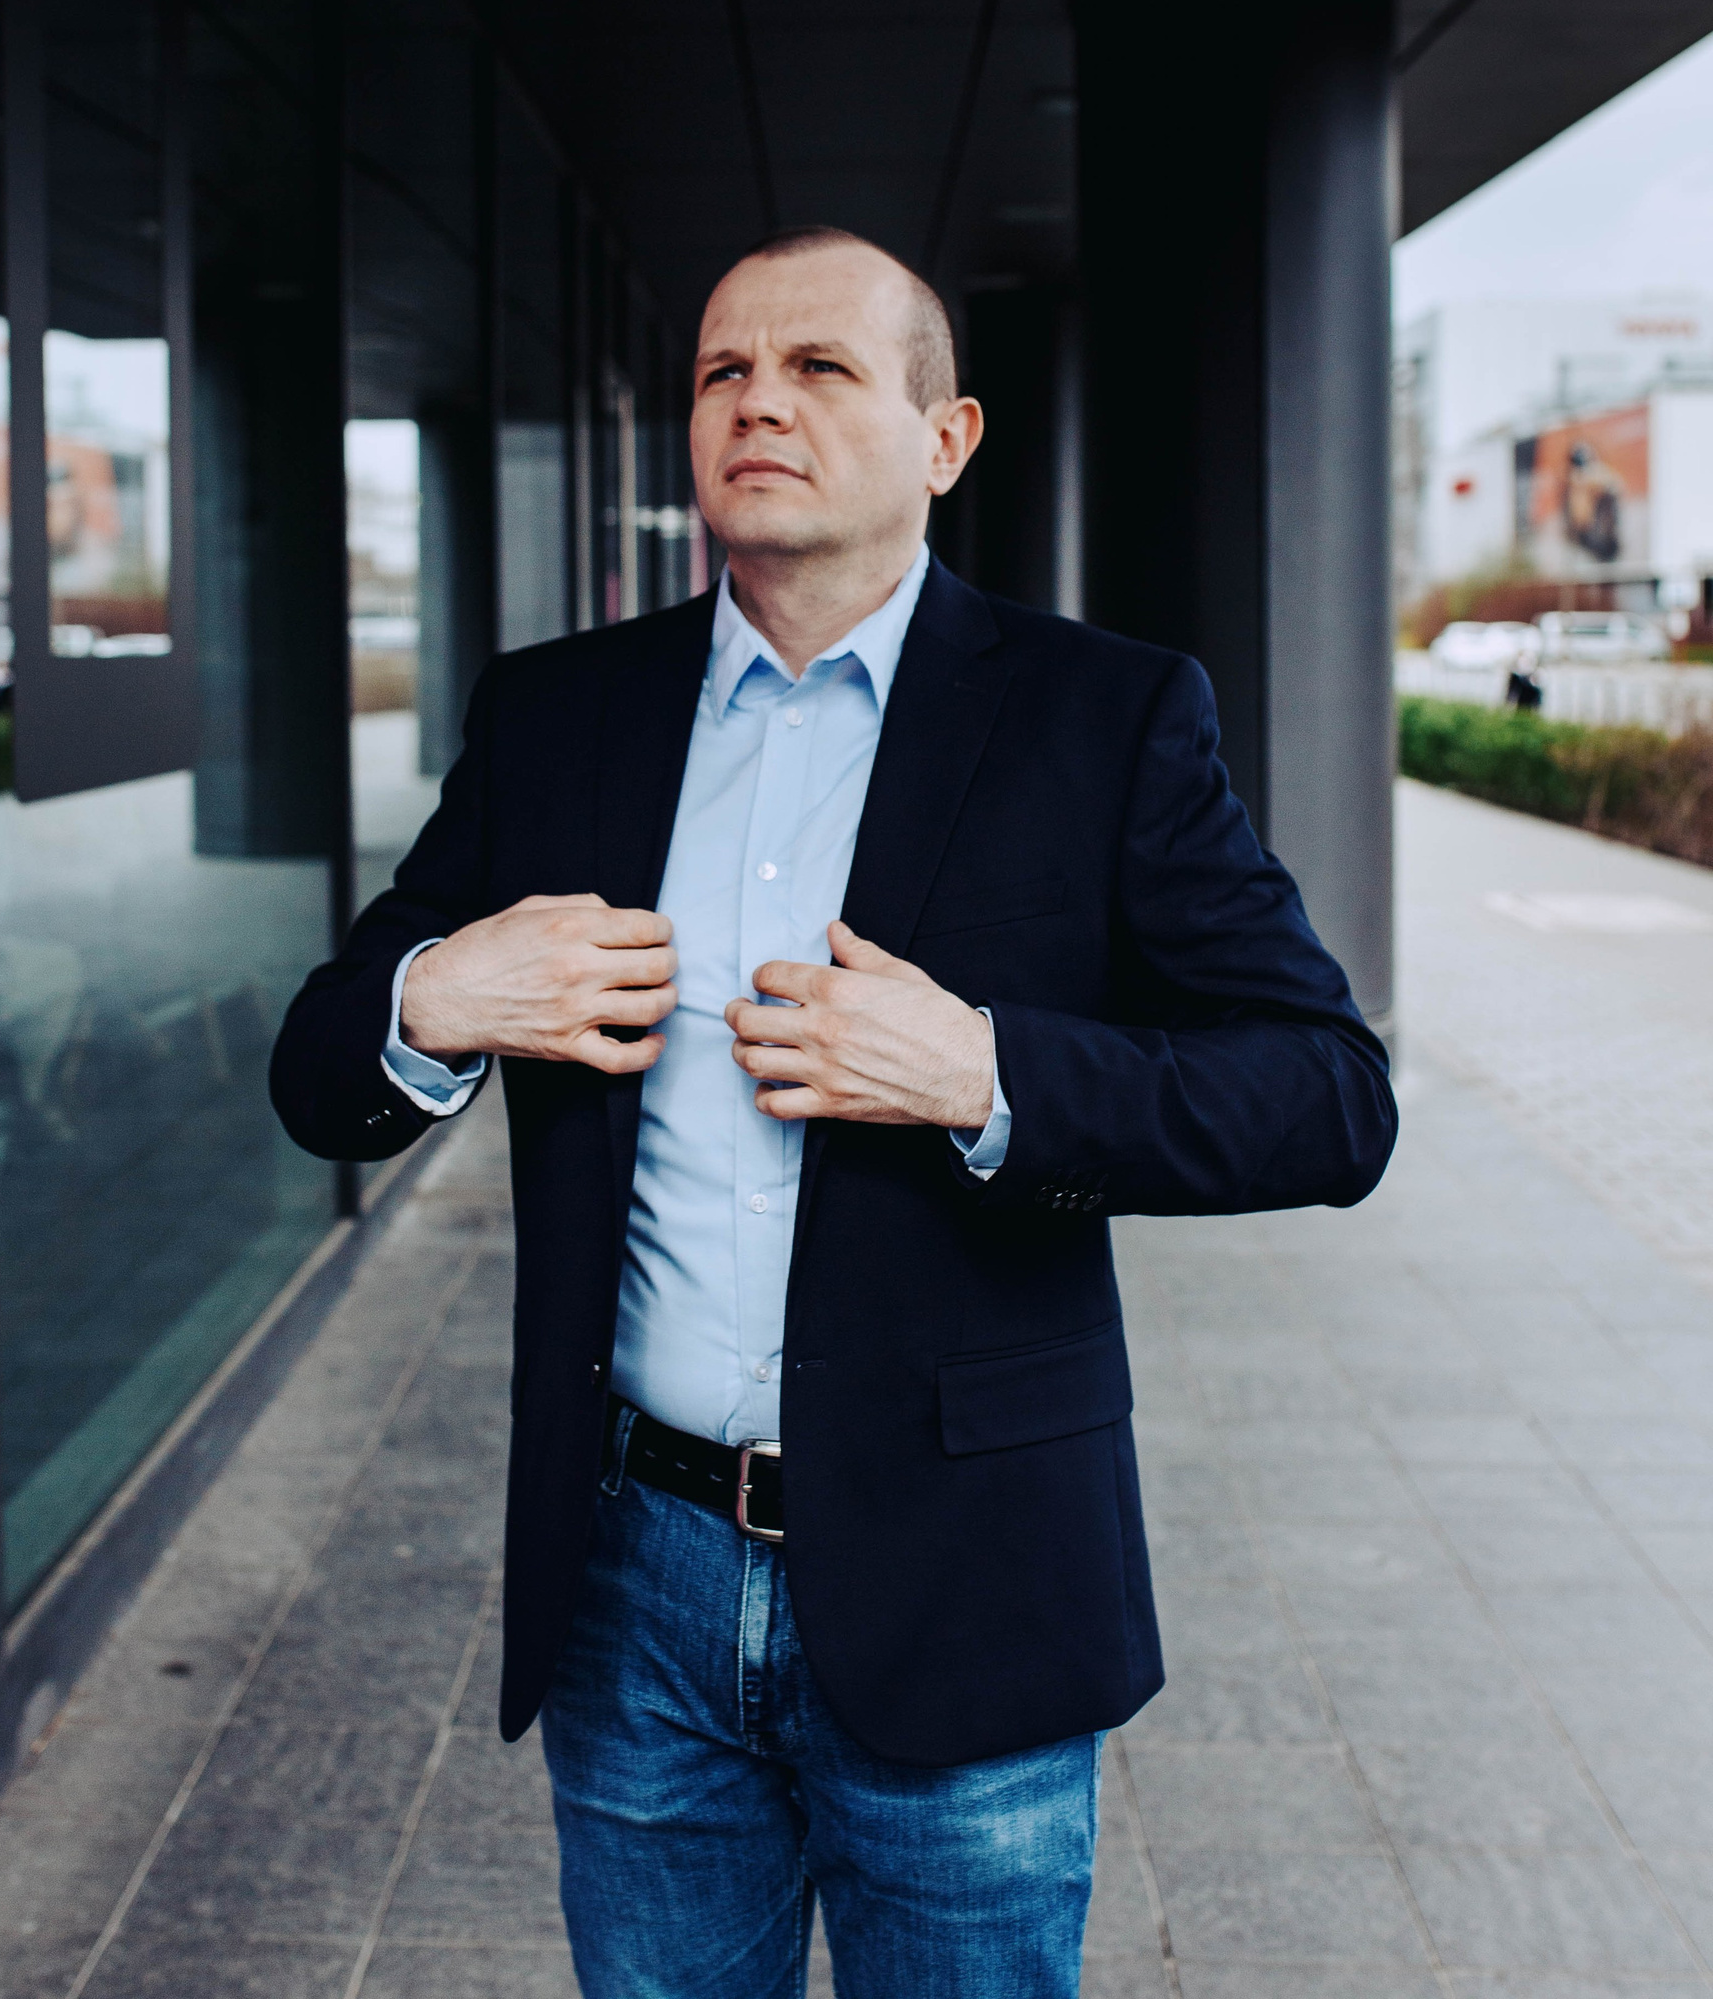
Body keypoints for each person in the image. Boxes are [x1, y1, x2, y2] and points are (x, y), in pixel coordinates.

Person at [271, 225, 1397, 1998]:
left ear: (946, 438)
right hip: (631, 1582)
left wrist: (986, 1075)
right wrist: (434, 1002)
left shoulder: (1105, 718)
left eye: (820, 368)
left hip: (966, 1579)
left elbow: (1330, 1098)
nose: (759, 403)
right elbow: (319, 1071)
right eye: (724, 369)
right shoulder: (557, 717)